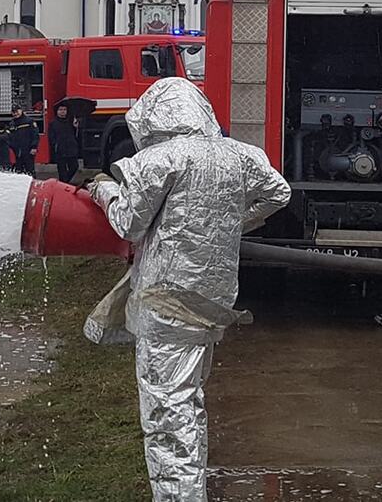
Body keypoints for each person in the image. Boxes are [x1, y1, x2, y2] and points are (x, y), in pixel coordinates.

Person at [85, 78, 291, 502]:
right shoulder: (240, 155)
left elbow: (128, 224)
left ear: (152, 118)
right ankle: (190, 488)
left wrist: (104, 191)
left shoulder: (158, 159)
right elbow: (279, 192)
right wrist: (231, 221)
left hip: (166, 303)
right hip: (213, 300)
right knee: (188, 401)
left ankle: (179, 496)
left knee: (167, 413)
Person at [49, 103, 81, 183]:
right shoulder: (53, 123)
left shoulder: (70, 121)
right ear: (57, 111)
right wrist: (55, 145)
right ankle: (64, 183)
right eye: (60, 110)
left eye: (64, 110)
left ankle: (65, 182)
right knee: (62, 170)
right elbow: (51, 137)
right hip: (60, 149)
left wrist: (76, 127)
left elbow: (76, 135)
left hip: (71, 148)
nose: (63, 111)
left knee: (74, 167)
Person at [7, 108, 40, 177]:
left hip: (28, 150)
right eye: (13, 112)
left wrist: (34, 147)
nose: (15, 114)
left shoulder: (29, 121)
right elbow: (10, 137)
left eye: (17, 111)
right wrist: (12, 147)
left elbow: (35, 135)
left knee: (30, 170)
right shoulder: (11, 123)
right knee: (19, 172)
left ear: (21, 110)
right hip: (17, 152)